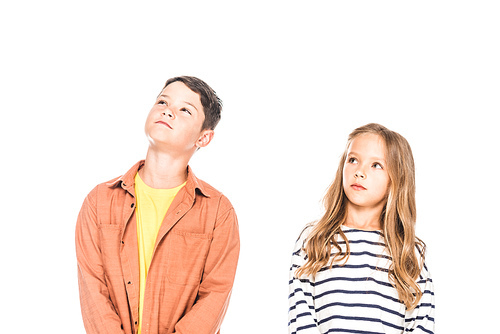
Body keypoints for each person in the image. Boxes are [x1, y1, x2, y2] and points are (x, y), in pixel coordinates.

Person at [76, 76, 240, 334]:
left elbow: (215, 295)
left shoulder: (218, 211)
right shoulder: (99, 201)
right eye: (163, 101)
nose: (168, 111)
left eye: (185, 110)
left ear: (204, 138)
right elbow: (93, 291)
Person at [288, 123, 435, 334]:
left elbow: (422, 323)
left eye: (376, 165)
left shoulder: (409, 253)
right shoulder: (313, 238)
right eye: (353, 160)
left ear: (396, 179)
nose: (360, 172)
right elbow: (300, 316)